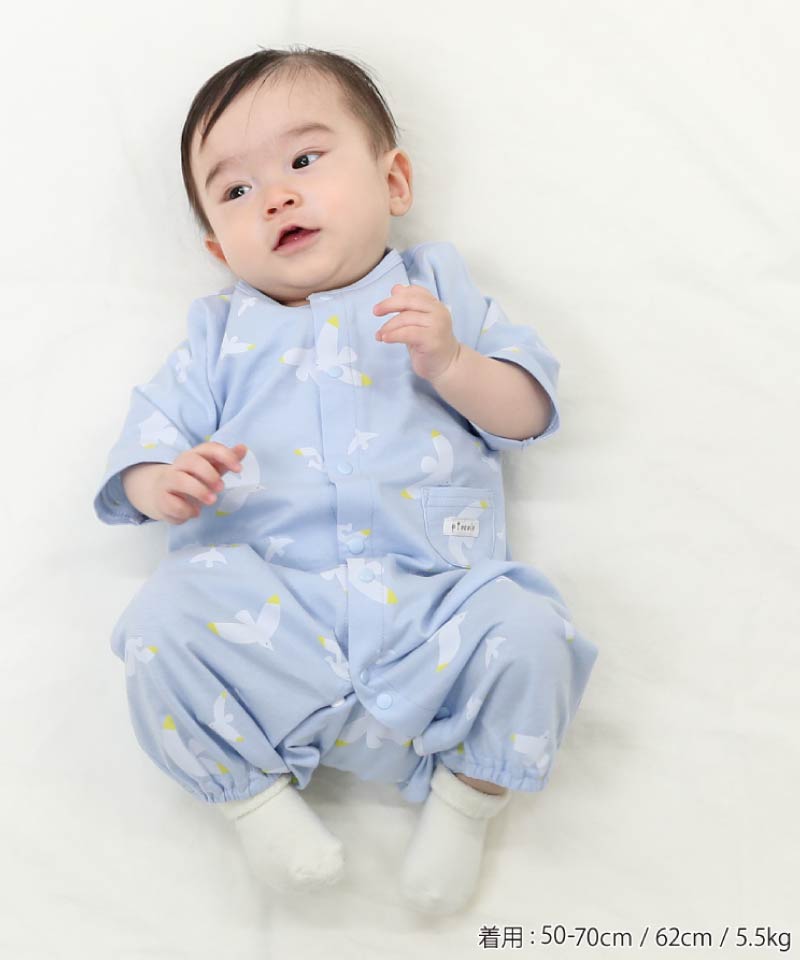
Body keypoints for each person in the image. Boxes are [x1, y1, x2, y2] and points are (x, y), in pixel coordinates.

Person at [93, 45, 599, 915]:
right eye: (236, 189)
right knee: (156, 624)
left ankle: (466, 803)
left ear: (393, 182)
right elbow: (144, 443)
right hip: (269, 622)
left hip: (431, 613)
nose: (275, 196)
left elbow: (526, 413)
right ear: (218, 246)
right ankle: (256, 805)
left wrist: (453, 362)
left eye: (303, 160)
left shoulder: (438, 293)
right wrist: (160, 483)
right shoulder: (219, 337)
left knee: (533, 627)